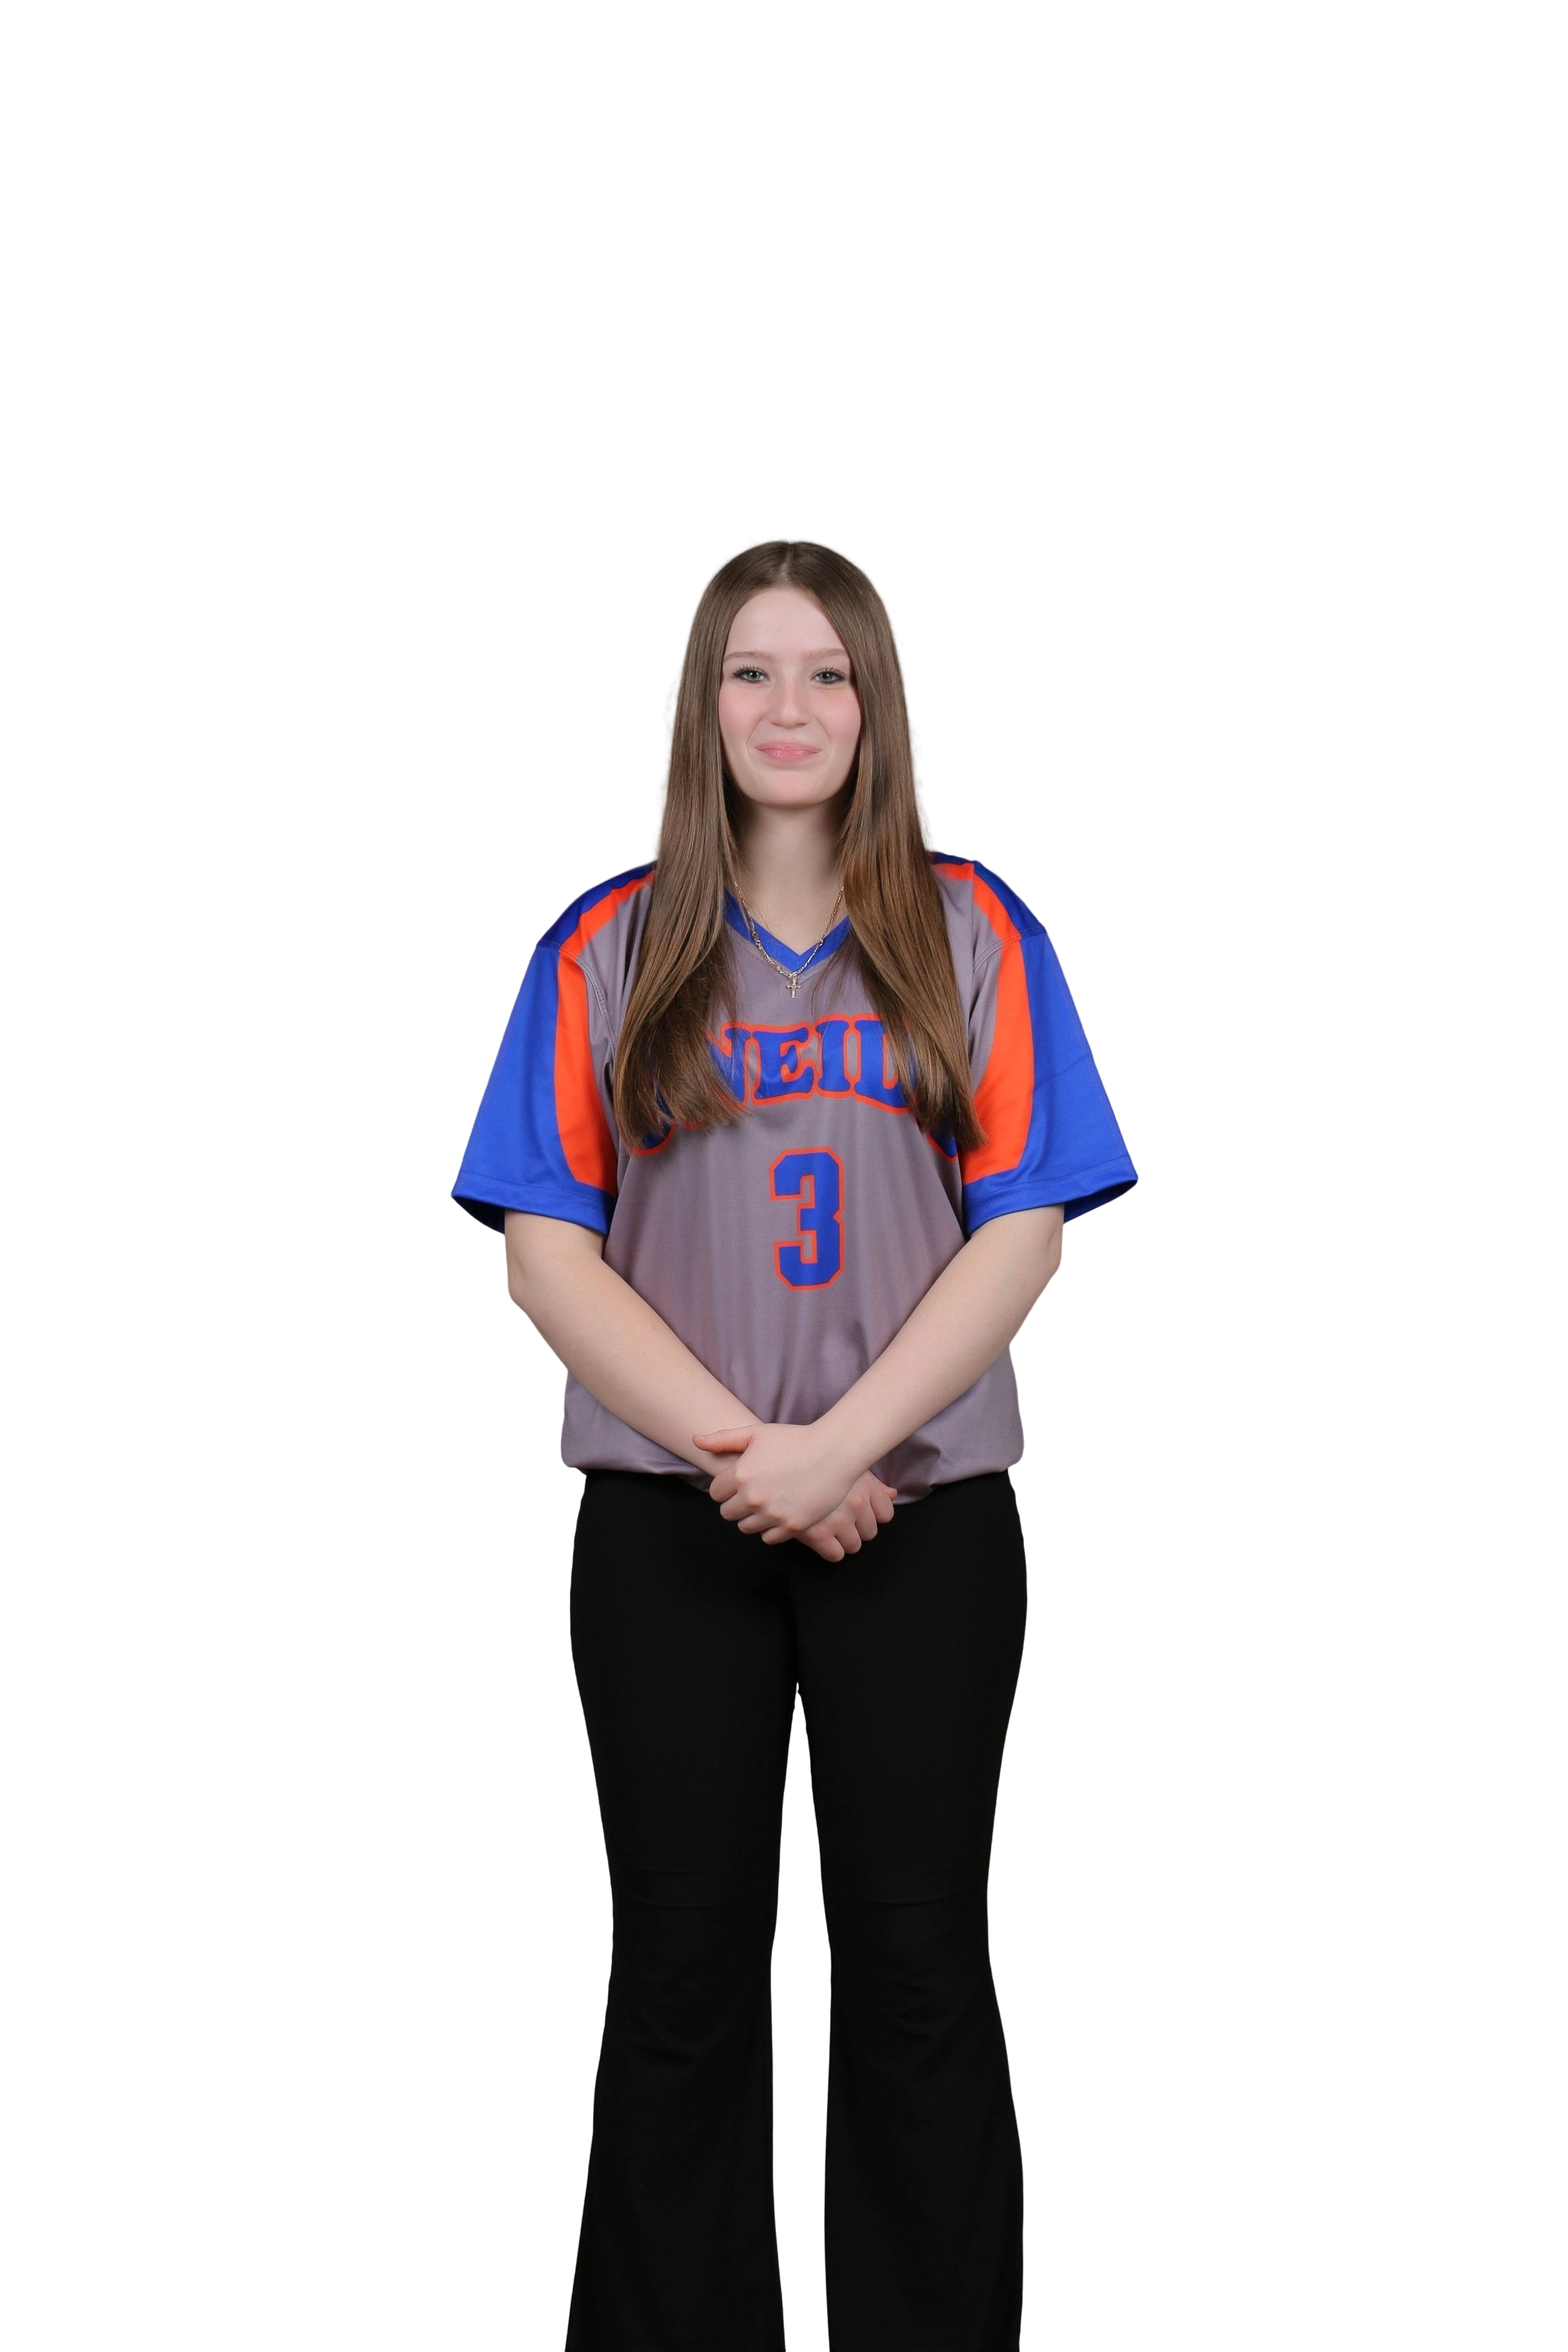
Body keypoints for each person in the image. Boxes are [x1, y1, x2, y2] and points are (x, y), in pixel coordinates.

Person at [448, 533, 1140, 2351]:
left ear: (877, 704)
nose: (790, 706)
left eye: (829, 672)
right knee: (681, 1975)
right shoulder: (605, 945)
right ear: (702, 702)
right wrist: (747, 1449)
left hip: (923, 1516)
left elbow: (1026, 1227)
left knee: (917, 1964)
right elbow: (545, 1252)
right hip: (670, 1523)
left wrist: (842, 1449)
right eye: (752, 670)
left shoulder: (975, 929)